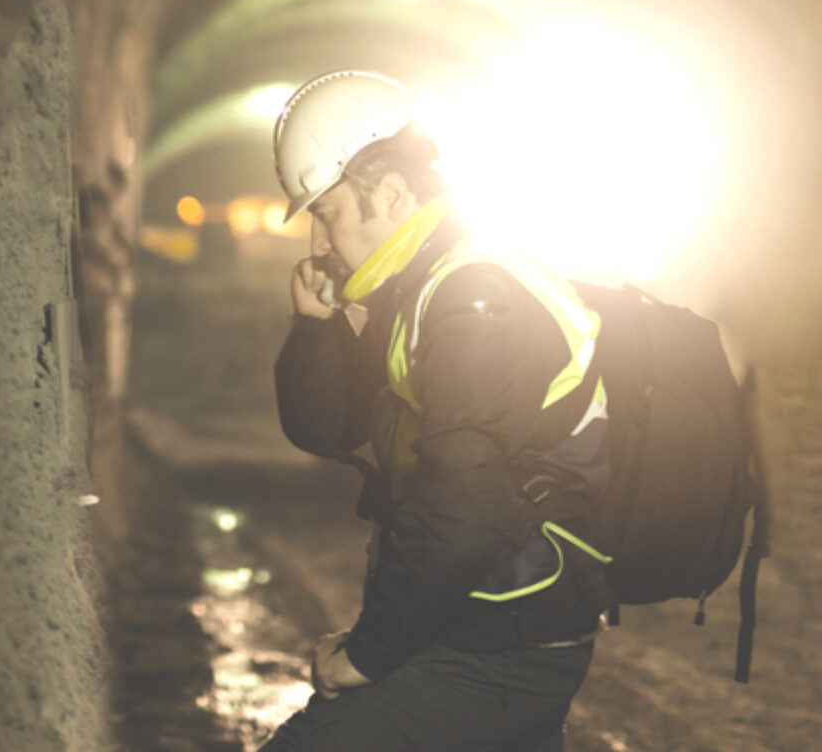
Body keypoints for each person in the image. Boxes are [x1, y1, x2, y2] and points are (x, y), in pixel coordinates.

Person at [260, 70, 617, 752]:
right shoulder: (423, 286)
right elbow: (329, 428)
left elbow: (465, 505)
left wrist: (366, 655)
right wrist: (315, 326)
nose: (318, 243)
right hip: (475, 618)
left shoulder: (476, 299)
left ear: (390, 195)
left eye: (326, 214)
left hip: (502, 637)